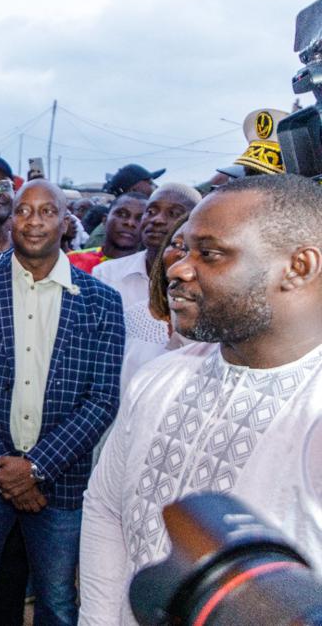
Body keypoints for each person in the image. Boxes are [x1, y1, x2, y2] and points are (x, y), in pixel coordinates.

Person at [79, 174, 322, 625]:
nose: (177, 268)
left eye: (209, 254)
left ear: (299, 266)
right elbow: (106, 509)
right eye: (183, 247)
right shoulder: (160, 377)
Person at [0, 179, 125, 626]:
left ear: (66, 222)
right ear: (11, 218)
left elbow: (102, 399)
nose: (34, 221)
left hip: (60, 483)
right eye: (24, 210)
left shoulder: (101, 300)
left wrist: (36, 468)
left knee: (58, 602)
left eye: (47, 212)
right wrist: (3, 465)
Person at [92, 183, 201, 390]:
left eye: (173, 213)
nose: (157, 220)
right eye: (151, 211)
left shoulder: (206, 287)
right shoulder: (106, 274)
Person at [84, 164, 164, 248]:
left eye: (139, 218)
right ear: (134, 191)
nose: (156, 187)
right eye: (150, 183)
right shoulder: (104, 239)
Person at [68, 192, 146, 274]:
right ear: (105, 220)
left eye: (140, 218)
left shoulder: (151, 270)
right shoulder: (71, 260)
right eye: (122, 214)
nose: (130, 223)